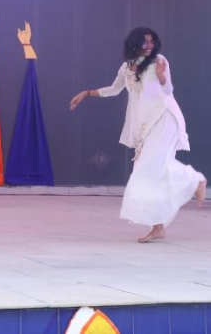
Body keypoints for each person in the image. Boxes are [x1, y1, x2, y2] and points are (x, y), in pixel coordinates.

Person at [70, 27, 206, 243]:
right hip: (144, 125)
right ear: (135, 43)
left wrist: (161, 76)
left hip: (164, 118)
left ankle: (196, 180)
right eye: (145, 42)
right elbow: (114, 89)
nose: (149, 45)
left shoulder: (159, 61)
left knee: (151, 168)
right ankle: (158, 227)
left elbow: (168, 90)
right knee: (148, 173)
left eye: (152, 41)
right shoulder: (126, 67)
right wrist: (86, 93)